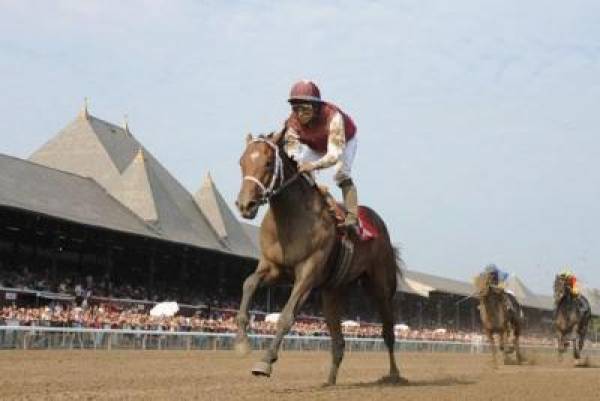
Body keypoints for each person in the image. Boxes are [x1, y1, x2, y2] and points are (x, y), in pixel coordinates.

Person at [283, 80, 359, 229]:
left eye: (305, 108)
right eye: (296, 108)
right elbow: (291, 151)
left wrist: (313, 165)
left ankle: (352, 216)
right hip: (315, 145)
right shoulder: (291, 123)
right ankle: (306, 207)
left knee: (341, 174)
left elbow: (334, 155)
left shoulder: (333, 117)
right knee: (298, 170)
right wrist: (297, 162)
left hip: (343, 141)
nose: (299, 114)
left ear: (316, 107)